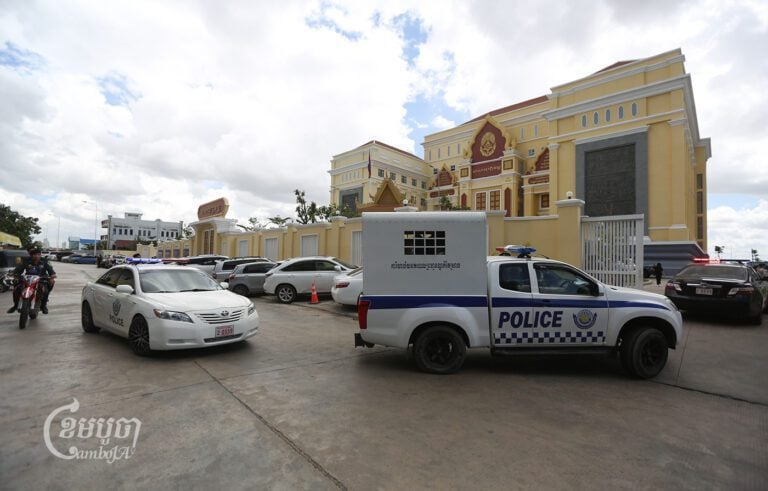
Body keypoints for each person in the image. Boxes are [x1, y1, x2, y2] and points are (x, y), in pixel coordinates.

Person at [6, 247, 57, 315]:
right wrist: (15, 274)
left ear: (40, 255)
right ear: (31, 255)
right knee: (16, 289)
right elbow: (19, 269)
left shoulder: (45, 261)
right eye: (34, 254)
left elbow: (51, 270)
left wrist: (52, 275)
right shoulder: (26, 261)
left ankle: (43, 306)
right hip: (28, 279)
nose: (36, 256)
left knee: (46, 290)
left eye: (38, 254)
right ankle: (15, 305)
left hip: (41, 279)